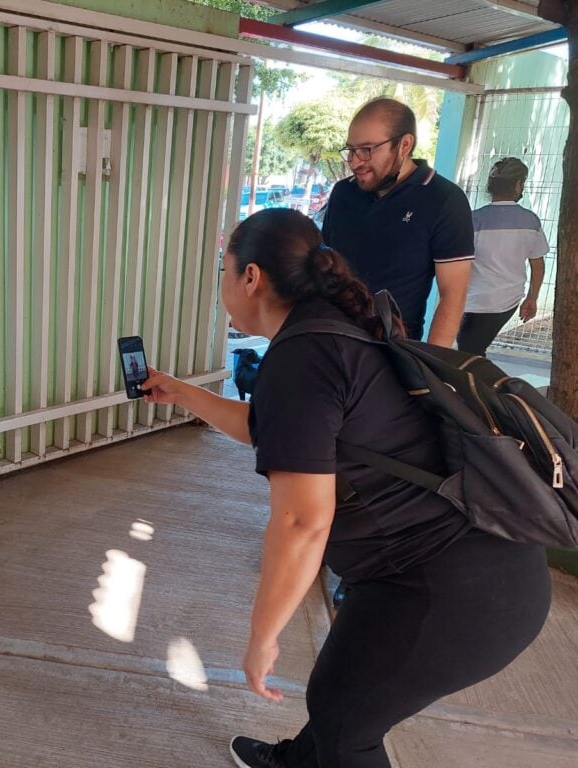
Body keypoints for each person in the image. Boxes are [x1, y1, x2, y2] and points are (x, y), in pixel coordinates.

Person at [142, 209, 549, 768]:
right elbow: (278, 432)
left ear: (252, 277)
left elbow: (301, 523)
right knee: (342, 702)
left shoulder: (304, 356)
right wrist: (182, 393)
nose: (223, 281)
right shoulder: (330, 327)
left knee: (345, 727)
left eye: (225, 268)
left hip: (453, 590)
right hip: (474, 566)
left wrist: (263, 635)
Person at [323, 98, 474, 346]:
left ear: (404, 145)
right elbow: (326, 265)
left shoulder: (444, 199)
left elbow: (453, 295)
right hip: (330, 341)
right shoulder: (343, 193)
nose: (355, 161)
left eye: (367, 150)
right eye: (350, 150)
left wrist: (430, 367)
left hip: (391, 353)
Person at [457, 157, 548, 356]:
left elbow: (459, 263)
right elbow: (538, 264)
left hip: (473, 302)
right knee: (472, 354)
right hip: (508, 301)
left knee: (468, 355)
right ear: (518, 185)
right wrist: (532, 297)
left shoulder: (474, 219)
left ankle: (483, 386)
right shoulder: (531, 221)